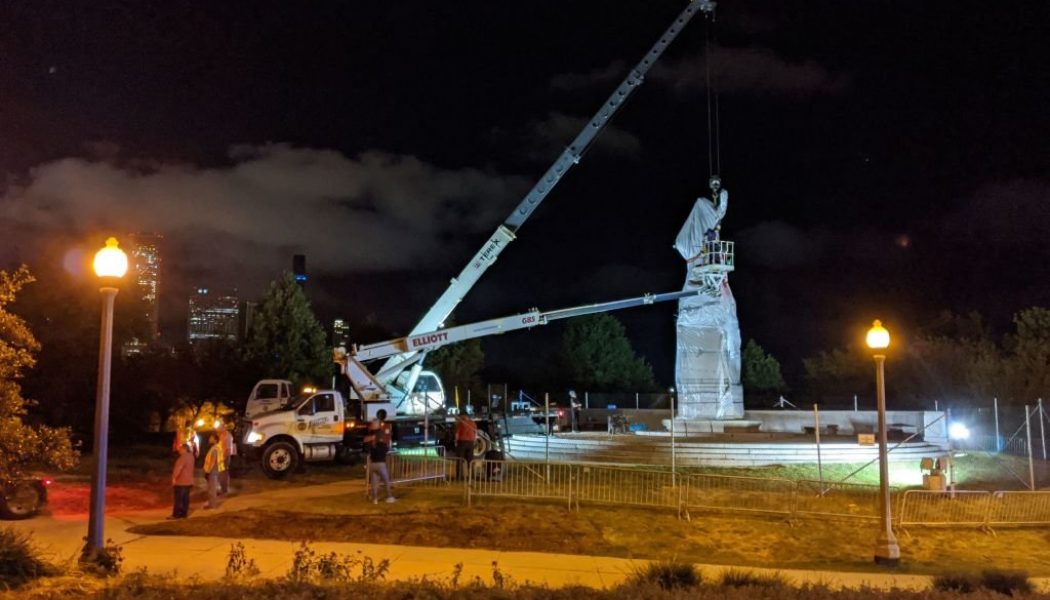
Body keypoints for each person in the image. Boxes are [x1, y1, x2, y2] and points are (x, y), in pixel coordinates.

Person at [364, 409, 395, 504]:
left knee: (374, 482)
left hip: (373, 464)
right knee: (386, 481)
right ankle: (389, 497)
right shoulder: (380, 437)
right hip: (381, 464)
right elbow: (386, 447)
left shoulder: (371, 439)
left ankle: (375, 499)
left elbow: (366, 441)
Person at [169, 442, 194, 519]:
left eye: (180, 449)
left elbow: (178, 469)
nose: (179, 450)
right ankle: (184, 514)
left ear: (185, 449)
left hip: (181, 481)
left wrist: (174, 478)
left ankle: (176, 514)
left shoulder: (182, 458)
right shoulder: (191, 457)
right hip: (188, 481)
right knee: (185, 499)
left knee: (178, 499)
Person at [202, 434, 225, 509]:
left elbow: (212, 461)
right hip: (215, 470)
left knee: (212, 489)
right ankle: (211, 504)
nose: (209, 439)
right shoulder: (216, 448)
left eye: (211, 438)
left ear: (215, 440)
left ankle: (212, 506)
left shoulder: (214, 449)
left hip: (213, 471)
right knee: (212, 488)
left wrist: (208, 471)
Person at [454, 413, 477, 480]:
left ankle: (459, 477)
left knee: (460, 460)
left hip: (462, 442)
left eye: (461, 416)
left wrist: (455, 441)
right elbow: (475, 433)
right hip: (471, 443)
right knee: (470, 460)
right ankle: (472, 476)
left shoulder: (460, 423)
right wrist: (474, 441)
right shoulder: (473, 423)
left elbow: (457, 434)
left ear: (463, 416)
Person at [217, 421, 234, 495]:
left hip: (225, 456)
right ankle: (223, 488)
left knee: (223, 473)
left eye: (220, 428)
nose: (218, 429)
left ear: (223, 428)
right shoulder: (222, 435)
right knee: (222, 473)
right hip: (222, 456)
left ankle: (224, 489)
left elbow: (228, 449)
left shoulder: (227, 436)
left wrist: (223, 457)